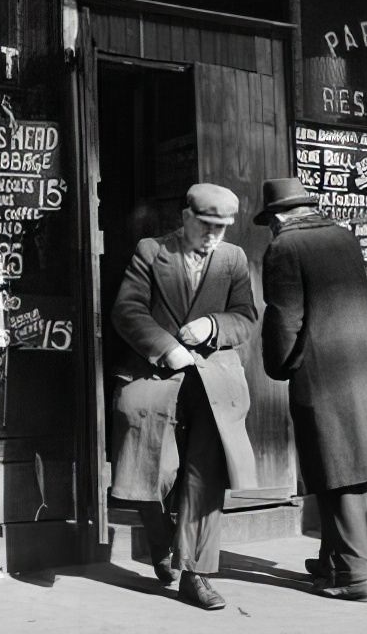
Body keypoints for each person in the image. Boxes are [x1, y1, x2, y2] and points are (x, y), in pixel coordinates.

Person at [257, 177, 367, 603]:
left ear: (278, 216)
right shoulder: (344, 238)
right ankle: (333, 560)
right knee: (344, 468)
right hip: (362, 370)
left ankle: (357, 574)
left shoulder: (284, 248)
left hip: (321, 374)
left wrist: (278, 364)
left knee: (337, 469)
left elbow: (285, 316)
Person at [110, 183, 258, 611]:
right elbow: (128, 309)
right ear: (186, 217)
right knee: (153, 469)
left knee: (204, 478)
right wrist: (168, 348)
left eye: (223, 228)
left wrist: (214, 326)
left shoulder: (232, 259)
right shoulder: (151, 251)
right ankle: (161, 541)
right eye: (207, 226)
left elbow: (245, 317)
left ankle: (196, 574)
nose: (214, 236)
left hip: (214, 384)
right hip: (157, 377)